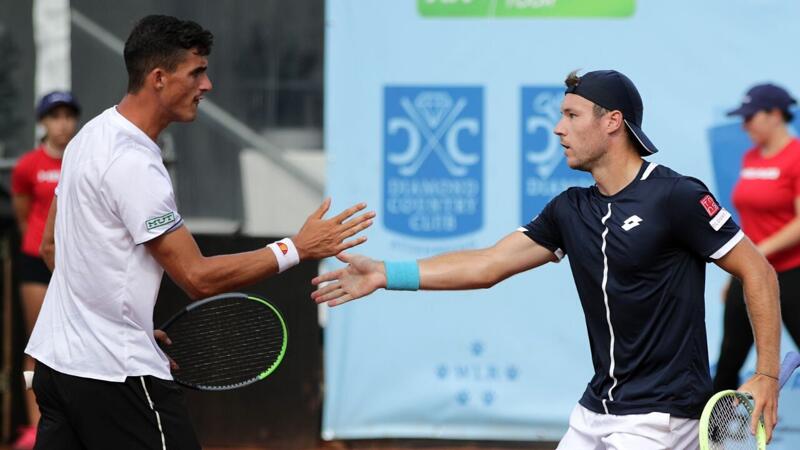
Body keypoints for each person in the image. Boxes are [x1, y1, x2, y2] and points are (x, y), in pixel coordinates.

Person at [311, 70, 782, 449]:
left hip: (661, 416)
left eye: (572, 115)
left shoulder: (676, 196)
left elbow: (757, 271)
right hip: (596, 408)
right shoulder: (569, 209)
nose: (558, 128)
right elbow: (488, 265)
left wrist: (765, 375)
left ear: (612, 121)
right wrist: (385, 274)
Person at [25, 15, 374, 449]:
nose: (206, 85)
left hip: (57, 371)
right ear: (158, 78)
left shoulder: (87, 137)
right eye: (196, 72)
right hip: (117, 378)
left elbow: (51, 245)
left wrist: (115, 321)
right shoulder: (135, 165)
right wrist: (296, 249)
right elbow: (197, 277)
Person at [713, 83, 800, 391]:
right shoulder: (751, 158)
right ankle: (710, 436)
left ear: (775, 114)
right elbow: (748, 220)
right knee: (728, 359)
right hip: (749, 273)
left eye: (751, 117)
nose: (744, 124)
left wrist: (759, 250)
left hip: (792, 273)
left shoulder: (796, 156)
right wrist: (734, 272)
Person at [10, 91, 79, 450]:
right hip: (37, 260)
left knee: (77, 342)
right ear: (43, 122)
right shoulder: (27, 165)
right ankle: (36, 426)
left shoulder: (83, 160)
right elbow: (23, 213)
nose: (63, 123)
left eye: (69, 115)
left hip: (76, 264)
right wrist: (39, 244)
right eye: (55, 116)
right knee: (38, 342)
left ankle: (74, 425)